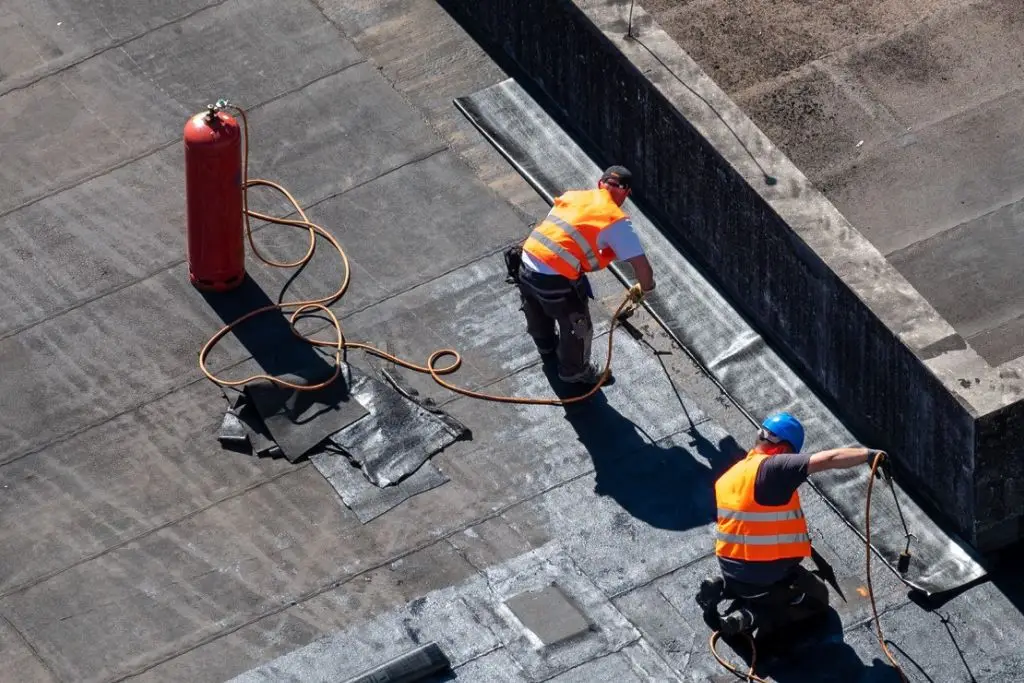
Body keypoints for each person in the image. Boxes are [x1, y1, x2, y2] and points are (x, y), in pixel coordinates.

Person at [695, 412, 890, 639]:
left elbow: (750, 521)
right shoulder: (774, 468)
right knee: (817, 599)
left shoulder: (730, 476)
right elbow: (829, 459)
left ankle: (725, 588)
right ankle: (751, 615)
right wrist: (869, 455)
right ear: (784, 448)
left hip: (730, 566)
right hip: (762, 574)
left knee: (764, 584)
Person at [514, 165, 656, 384]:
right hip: (555, 278)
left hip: (526, 261)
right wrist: (645, 288)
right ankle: (574, 372)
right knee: (577, 326)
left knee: (536, 307)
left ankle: (546, 345)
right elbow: (642, 267)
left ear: (600, 184)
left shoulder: (573, 196)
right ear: (626, 193)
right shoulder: (615, 220)